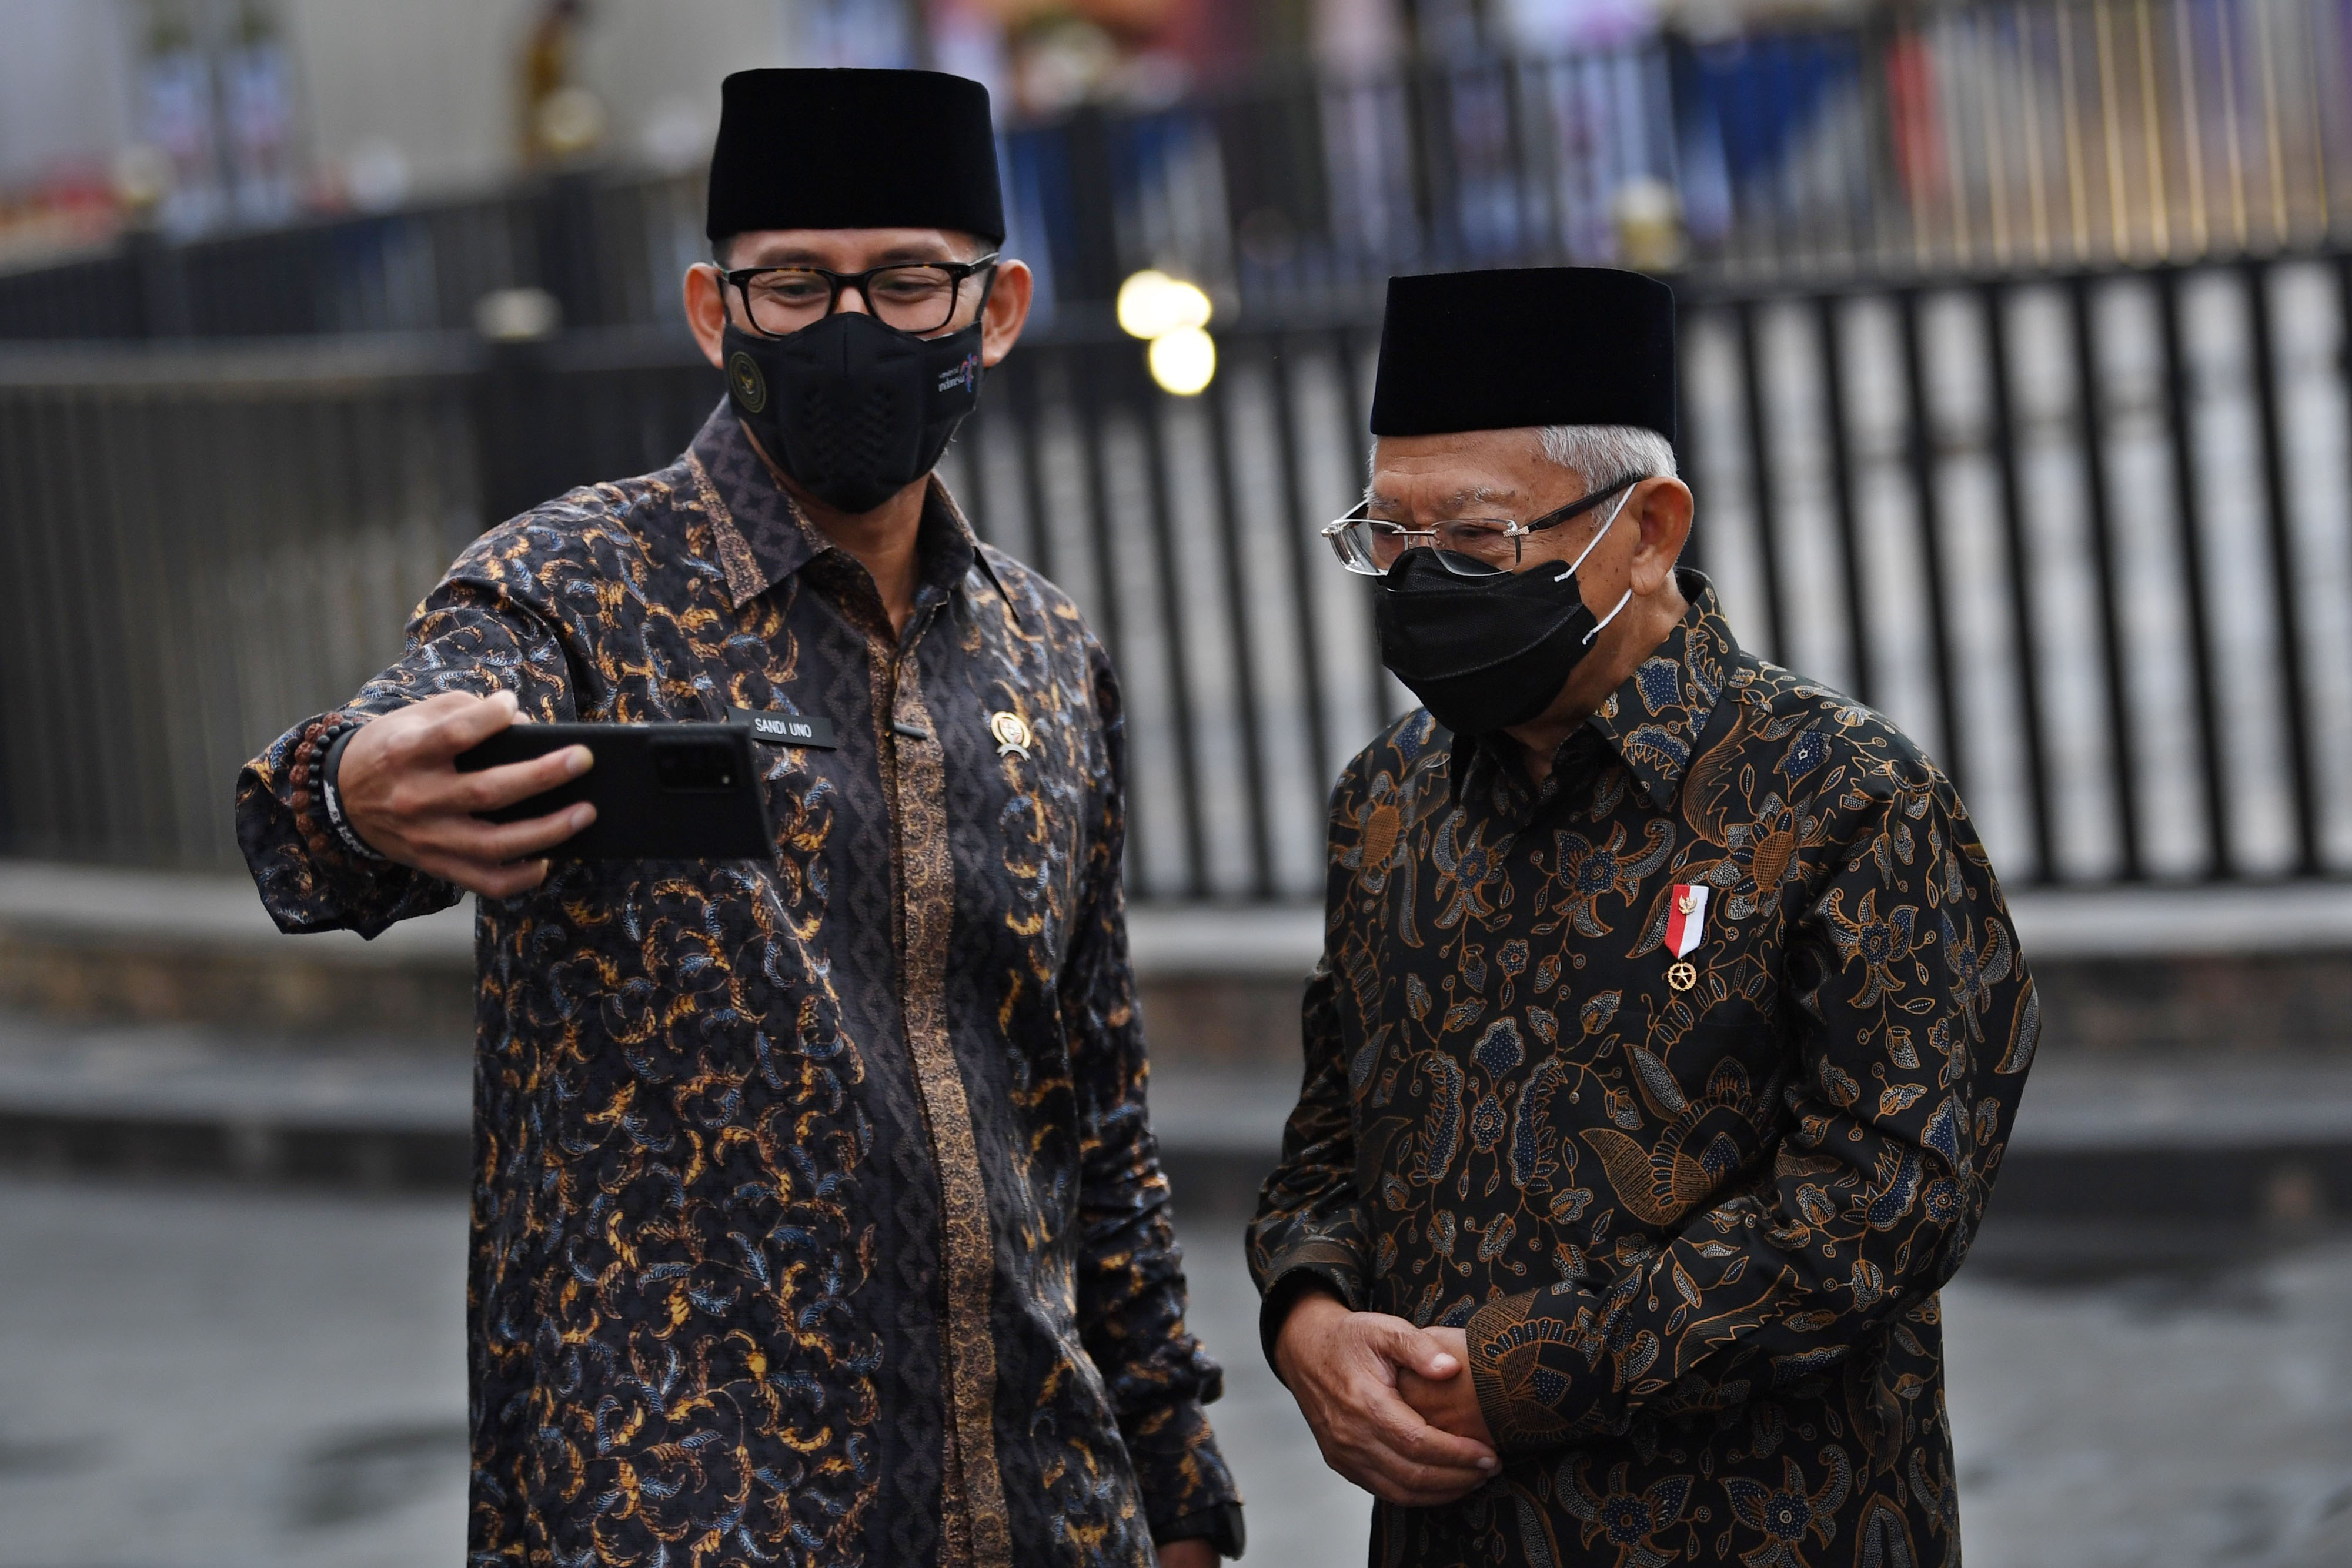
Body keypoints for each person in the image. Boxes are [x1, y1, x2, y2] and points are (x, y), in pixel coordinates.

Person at [236, 68, 1241, 1568]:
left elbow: (1094, 1097)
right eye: (795, 284)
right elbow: (376, 772)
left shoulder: (1044, 649)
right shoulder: (570, 588)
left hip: (1037, 1505)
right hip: (687, 1514)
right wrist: (349, 786)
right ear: (715, 312)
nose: (853, 325)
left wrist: (1170, 1470)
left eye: (907, 281)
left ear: (996, 309)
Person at [1248, 266, 2033, 1566]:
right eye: (1387, 537)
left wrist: (1531, 1371)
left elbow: (1888, 1196)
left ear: (1649, 529)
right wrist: (1307, 1314)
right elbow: (1333, 1125)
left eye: (1476, 540)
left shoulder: (1839, 795)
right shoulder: (1387, 801)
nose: (1420, 580)